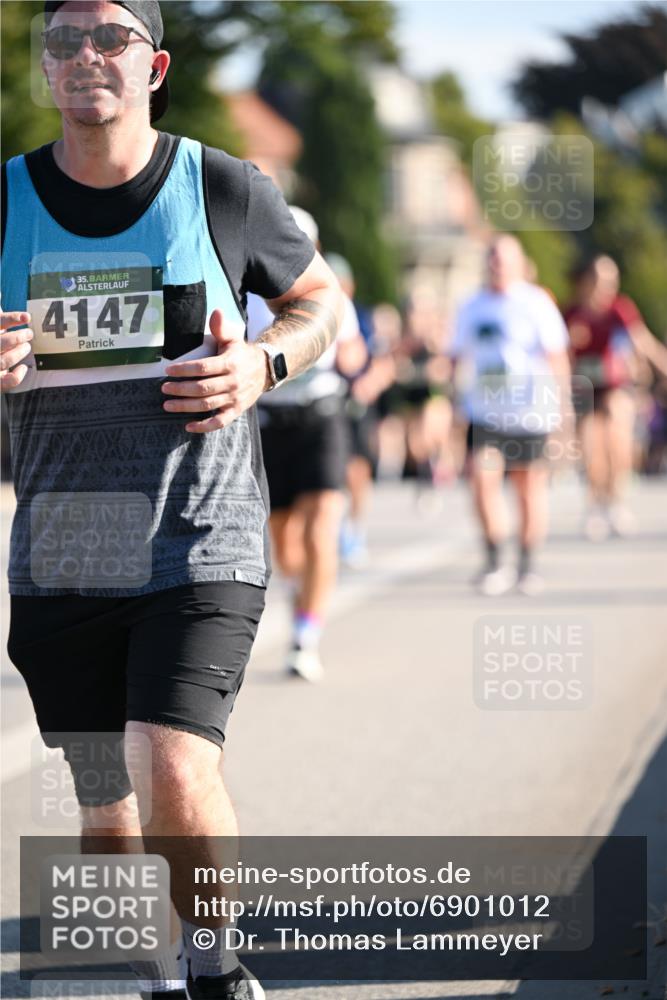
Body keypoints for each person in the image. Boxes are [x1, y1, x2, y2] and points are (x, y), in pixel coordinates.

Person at [1, 4, 342, 999]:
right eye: (61, 41)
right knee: (108, 814)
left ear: (152, 66)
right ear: (46, 67)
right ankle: (155, 960)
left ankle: (211, 964)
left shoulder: (223, 186)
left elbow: (322, 302)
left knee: (172, 762)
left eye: (107, 38)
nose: (82, 58)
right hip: (63, 550)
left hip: (201, 535)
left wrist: (266, 362)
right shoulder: (6, 197)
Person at [246, 214, 365, 680]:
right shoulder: (251, 298)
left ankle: (306, 635)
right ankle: (301, 595)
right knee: (284, 543)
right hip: (273, 423)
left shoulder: (329, 294)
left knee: (320, 530)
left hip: (322, 417)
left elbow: (354, 351)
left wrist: (346, 362)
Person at [451, 234, 571, 596]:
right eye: (492, 258)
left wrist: (564, 411)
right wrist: (452, 408)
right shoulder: (472, 306)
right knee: (482, 481)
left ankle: (527, 564)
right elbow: (456, 358)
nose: (496, 266)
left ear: (519, 264)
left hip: (529, 414)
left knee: (527, 489)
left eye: (504, 260)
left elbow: (557, 360)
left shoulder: (536, 304)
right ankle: (494, 560)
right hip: (485, 413)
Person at [563, 255, 667, 540]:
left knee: (617, 439)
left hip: (614, 386)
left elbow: (642, 342)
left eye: (612, 280)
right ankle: (595, 503)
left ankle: (617, 501)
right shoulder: (572, 313)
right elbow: (560, 354)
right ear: (586, 281)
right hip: (584, 388)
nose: (606, 286)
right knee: (592, 447)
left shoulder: (621, 309)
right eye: (600, 280)